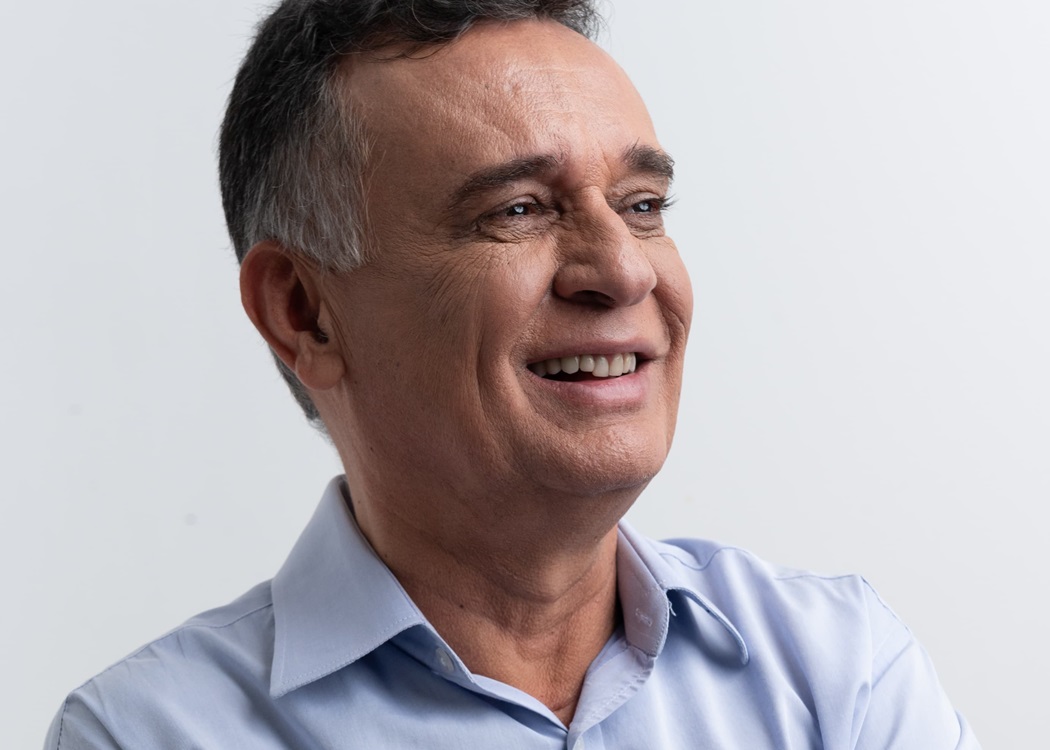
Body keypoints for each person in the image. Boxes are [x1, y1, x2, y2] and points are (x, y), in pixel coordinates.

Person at [46, 1, 980, 747]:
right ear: (304, 312)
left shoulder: (839, 668)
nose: (624, 270)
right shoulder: (150, 733)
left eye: (642, 204)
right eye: (519, 210)